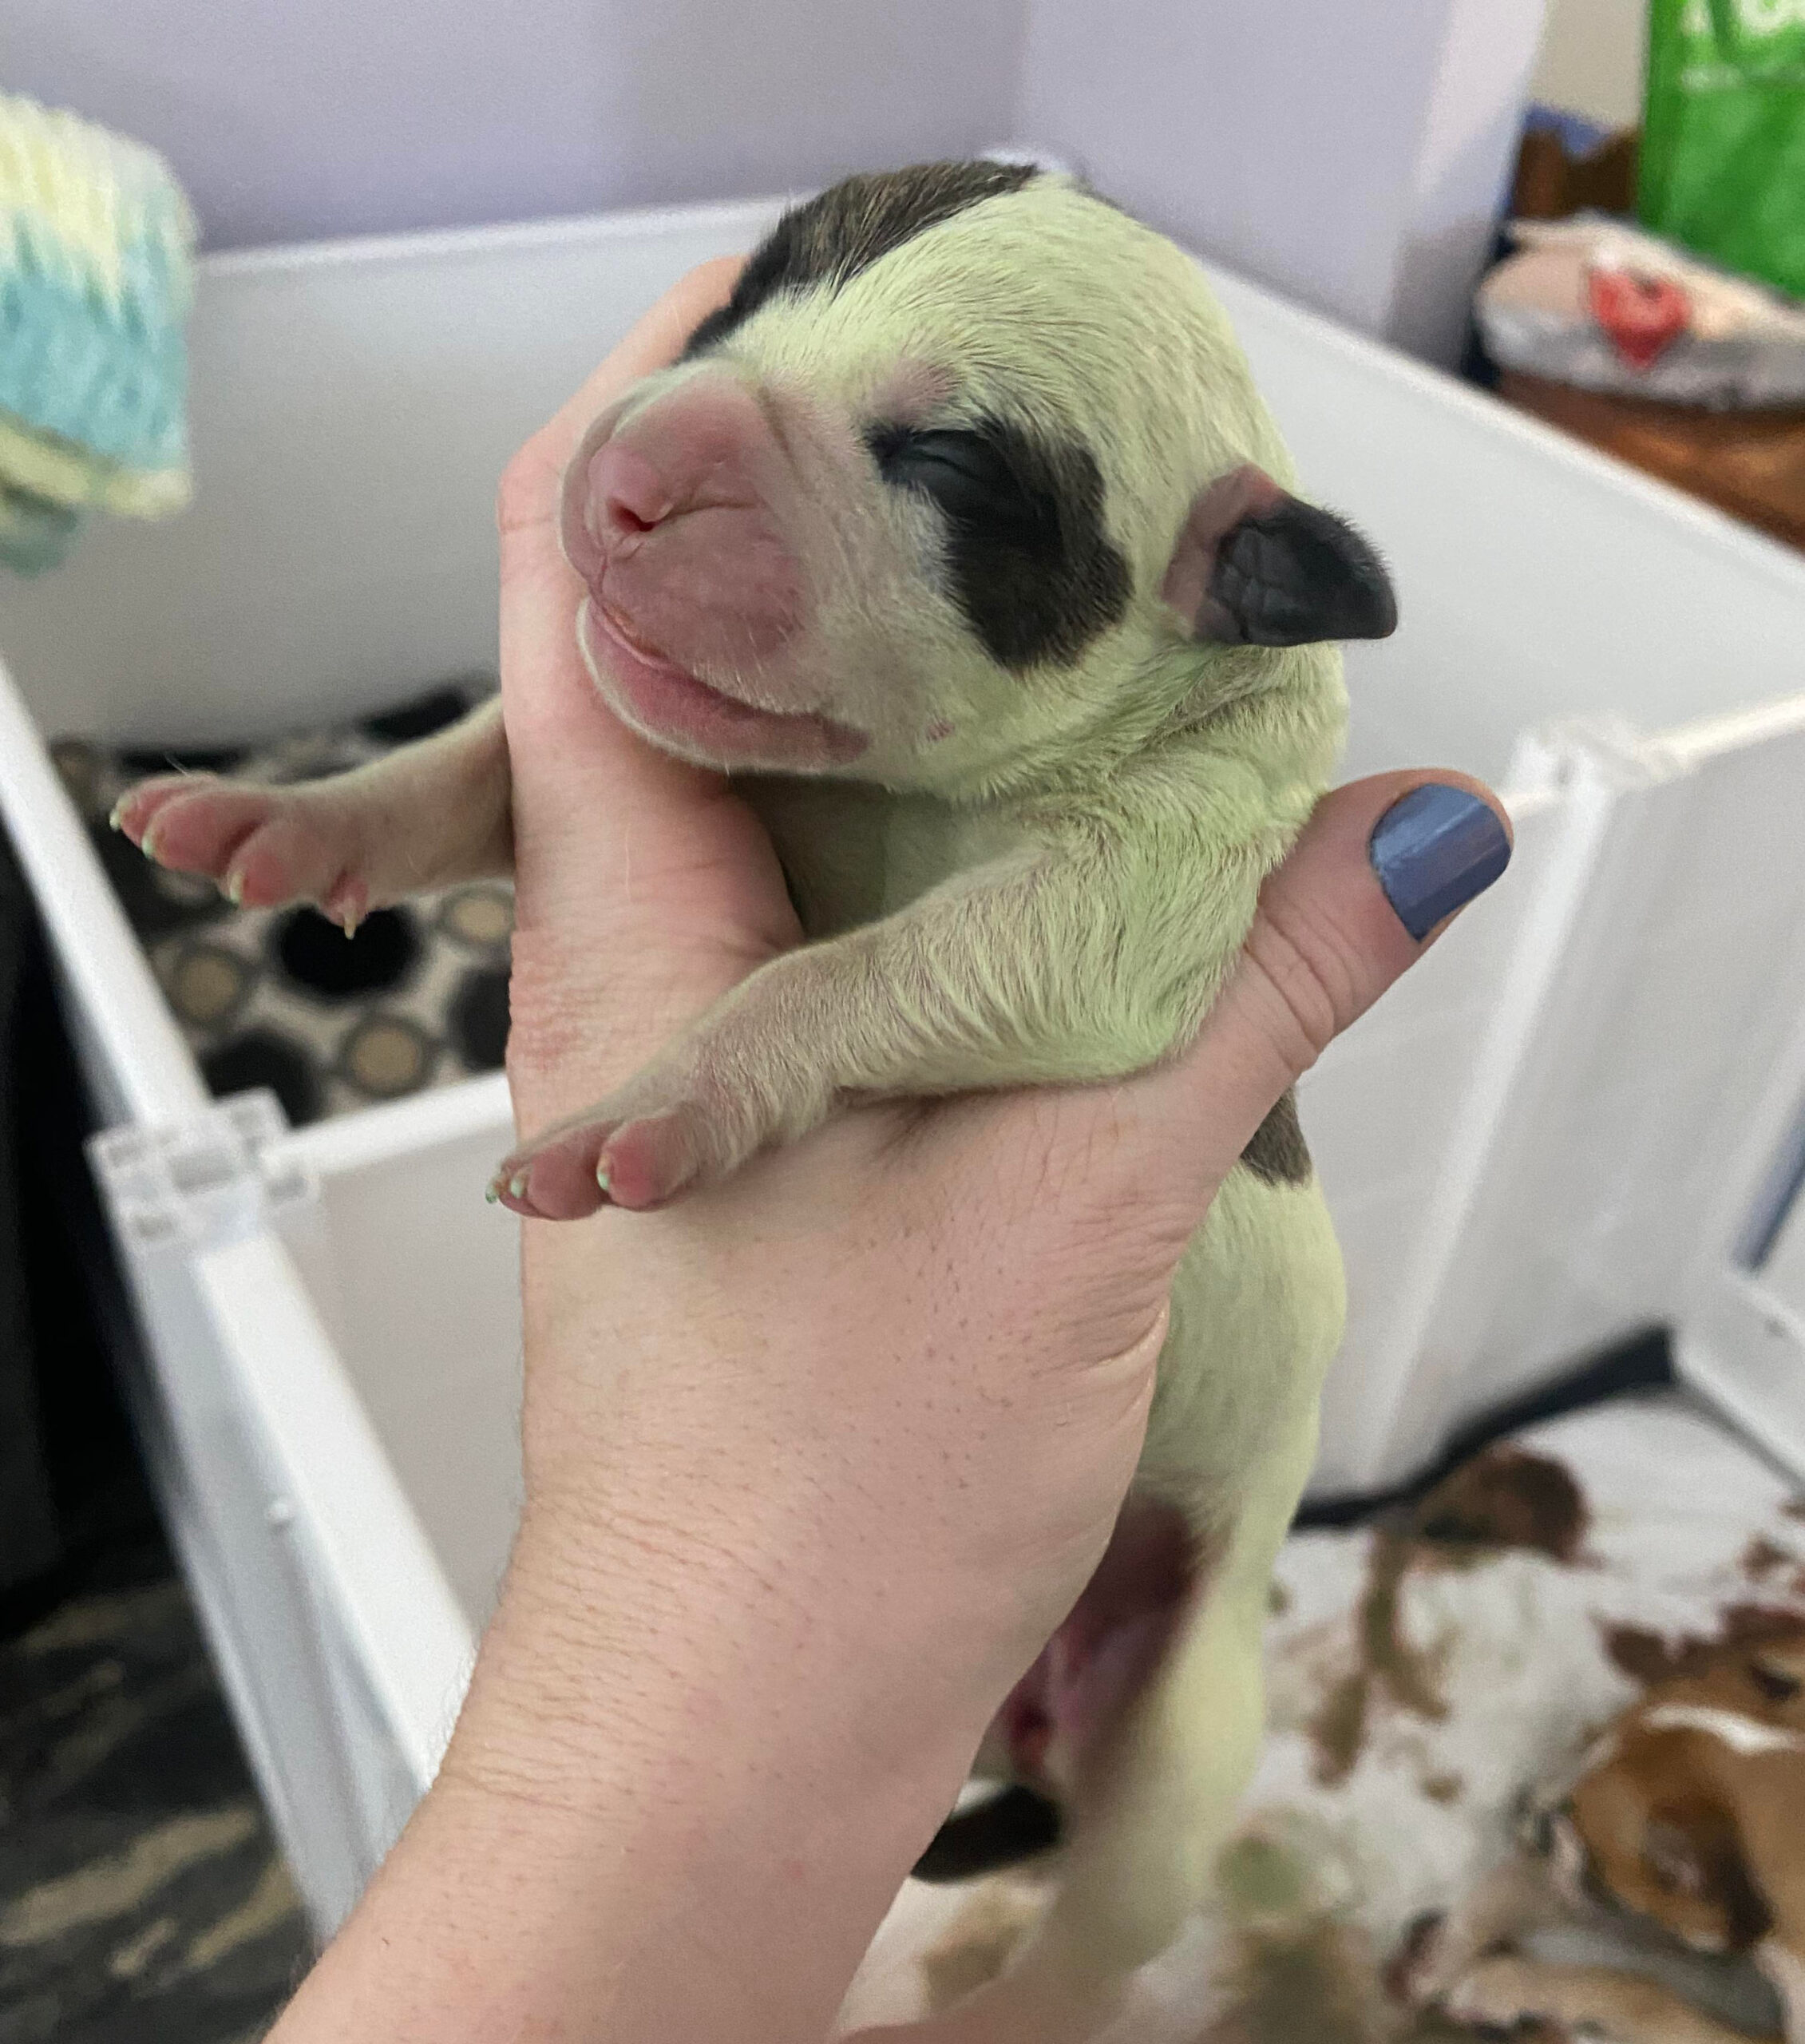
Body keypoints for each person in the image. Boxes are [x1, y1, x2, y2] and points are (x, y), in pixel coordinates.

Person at [267, 260, 1511, 2042]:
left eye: (924, 460)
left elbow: (1089, 975)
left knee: (1165, 1748)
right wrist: (386, 818)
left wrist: (758, 1059)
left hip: (1179, 1496)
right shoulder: (887, 689)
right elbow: (610, 739)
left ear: (1220, 586)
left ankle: (1076, 1981)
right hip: (942, 1485)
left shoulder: (1207, 749)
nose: (648, 458)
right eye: (735, 353)